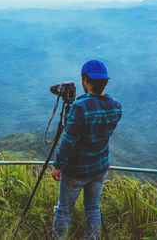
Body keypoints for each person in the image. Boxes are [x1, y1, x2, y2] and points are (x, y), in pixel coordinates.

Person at [51, 60, 122, 240]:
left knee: (64, 211)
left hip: (77, 171)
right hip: (100, 168)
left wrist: (58, 166)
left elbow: (69, 140)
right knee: (92, 209)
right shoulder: (116, 106)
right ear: (104, 81)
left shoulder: (79, 107)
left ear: (85, 80)